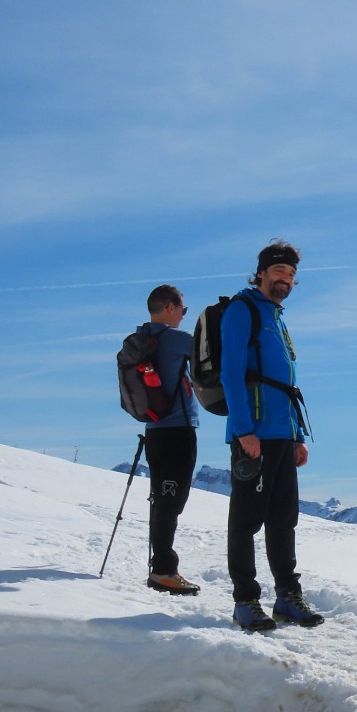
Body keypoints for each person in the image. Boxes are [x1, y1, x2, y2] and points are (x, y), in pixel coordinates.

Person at [222, 241, 323, 630]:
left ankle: (287, 597)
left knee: (284, 520)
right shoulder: (242, 310)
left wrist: (298, 435)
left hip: (282, 433)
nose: (287, 279)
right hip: (255, 435)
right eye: (280, 271)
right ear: (261, 273)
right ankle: (245, 600)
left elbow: (286, 382)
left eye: (292, 274)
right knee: (246, 521)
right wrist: (244, 430)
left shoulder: (276, 317)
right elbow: (232, 374)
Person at [139, 284, 200, 595]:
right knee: (171, 501)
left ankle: (160, 567)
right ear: (170, 308)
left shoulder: (140, 339)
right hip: (178, 431)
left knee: (161, 498)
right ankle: (163, 571)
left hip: (153, 431)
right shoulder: (175, 339)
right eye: (183, 310)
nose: (183, 316)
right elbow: (208, 352)